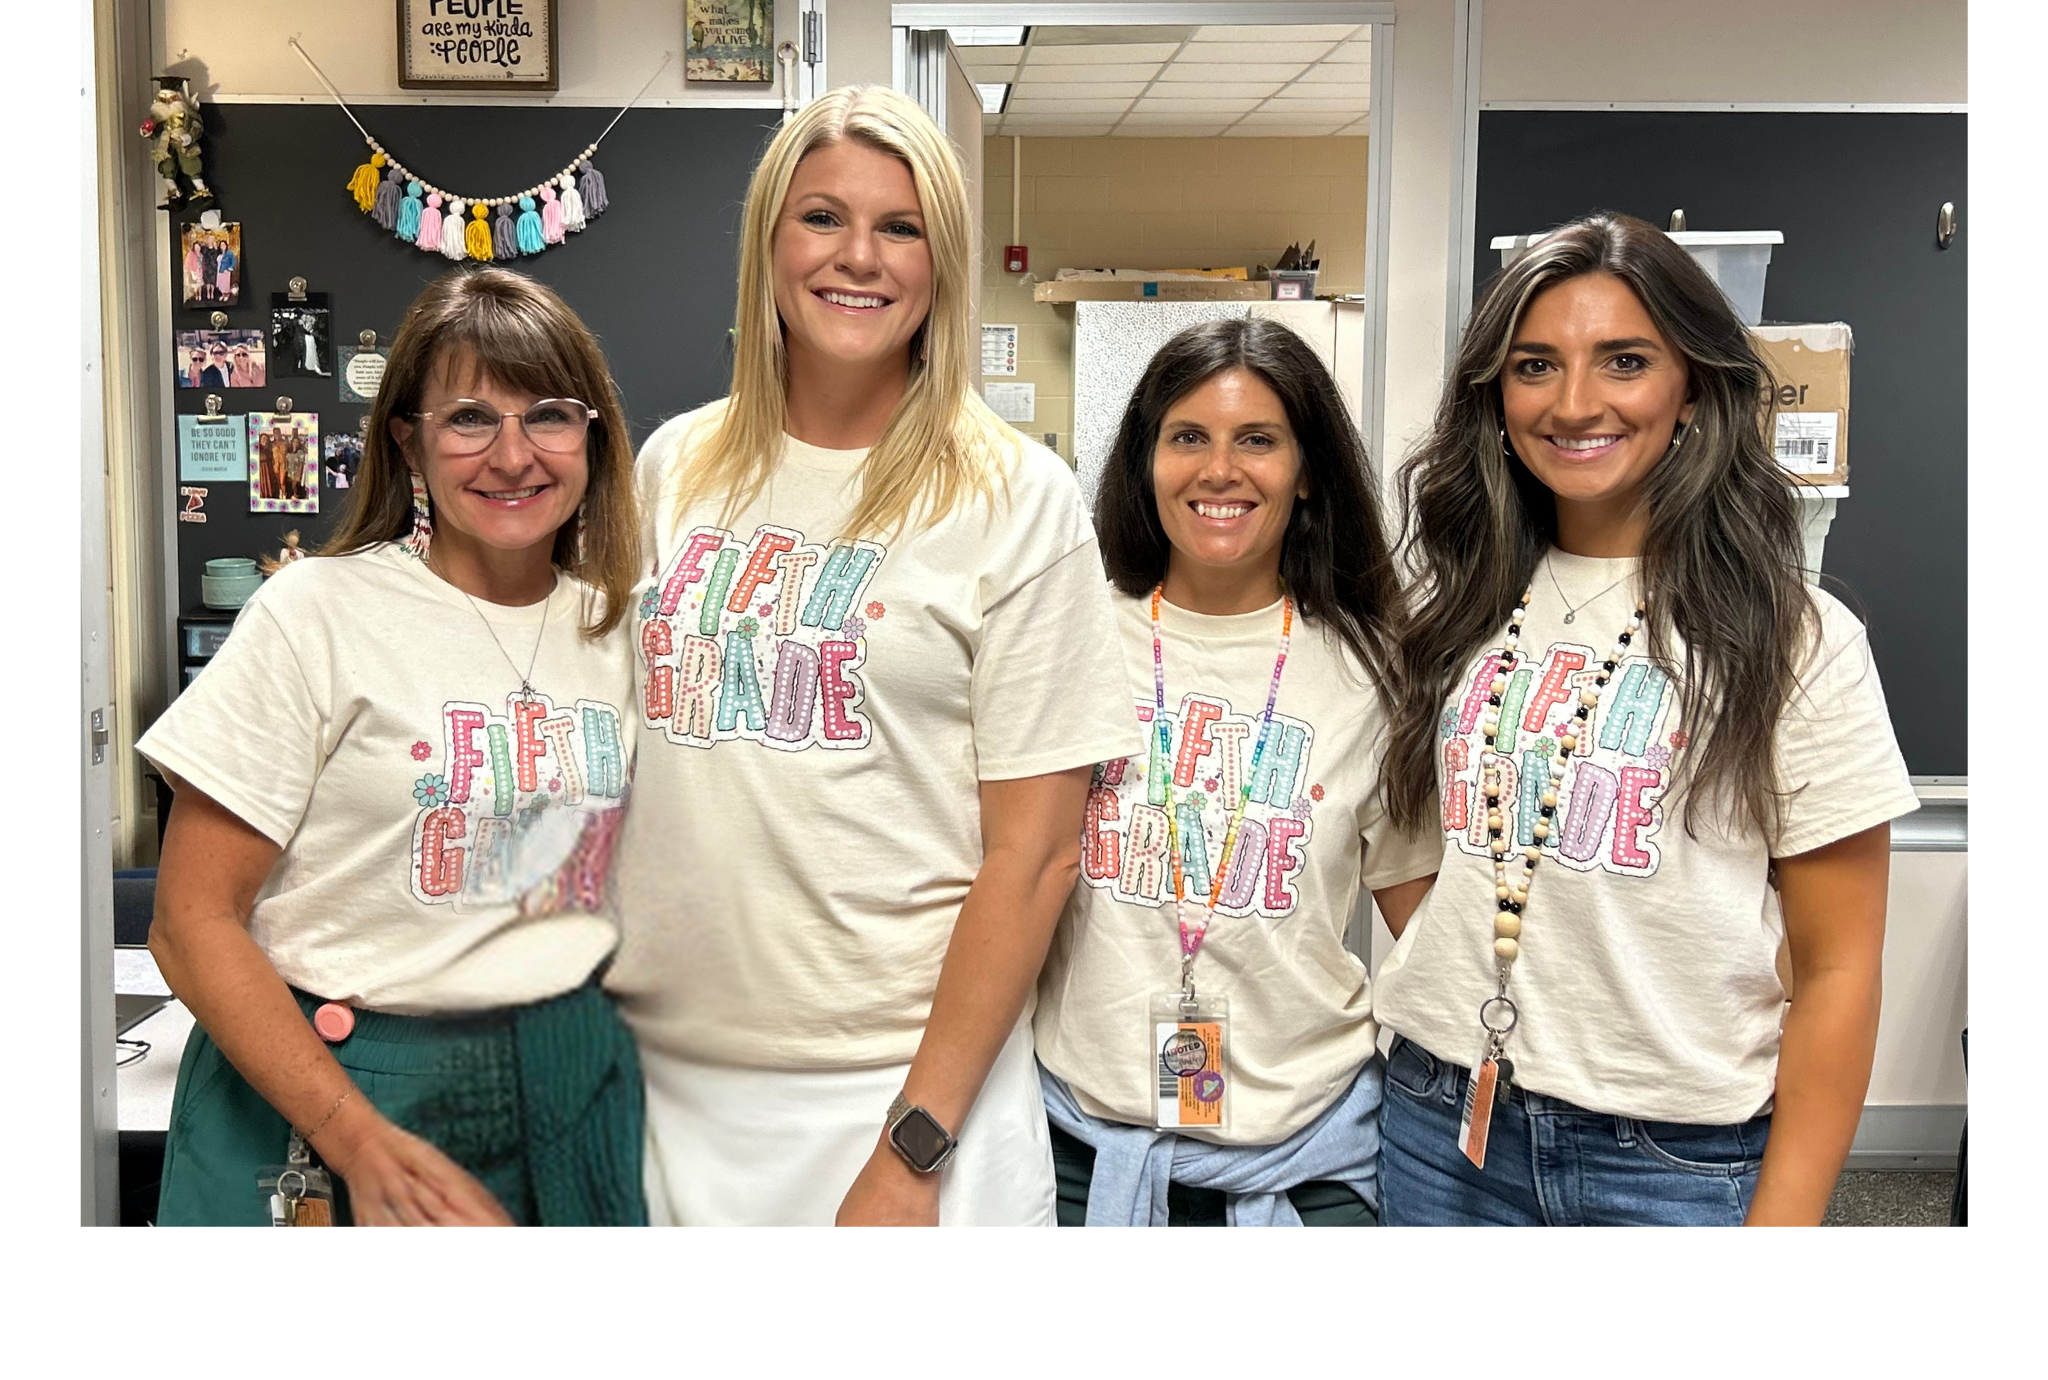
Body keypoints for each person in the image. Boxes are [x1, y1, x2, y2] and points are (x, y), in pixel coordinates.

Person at [610, 85, 1142, 1226]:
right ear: (768, 241)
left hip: (907, 1105)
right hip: (672, 1084)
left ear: (940, 263)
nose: (858, 257)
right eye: (820, 218)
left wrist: (913, 1149)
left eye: (899, 228)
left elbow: (1037, 858)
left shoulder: (1013, 498)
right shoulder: (673, 469)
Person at [1370, 212, 1919, 1227]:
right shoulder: (1453, 605)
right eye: (1534, 366)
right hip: (1440, 1119)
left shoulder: (1793, 636)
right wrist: (1505, 971)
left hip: (1671, 1156)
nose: (1574, 403)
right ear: (1494, 397)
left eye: (1622, 361)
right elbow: (1408, 847)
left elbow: (1838, 968)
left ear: (1692, 390)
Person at [138, 266, 647, 1225]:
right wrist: (356, 1139)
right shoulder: (317, 613)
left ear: (591, 435)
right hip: (329, 1089)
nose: (512, 455)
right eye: (468, 420)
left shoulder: (623, 631)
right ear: (408, 441)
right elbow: (191, 922)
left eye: (547, 414)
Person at [1035, 318, 1437, 1226]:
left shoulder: (1375, 669)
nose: (1221, 471)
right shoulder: (1066, 635)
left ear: (1306, 474)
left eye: (1258, 439)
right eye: (1189, 438)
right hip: (1081, 1152)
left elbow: (1424, 926)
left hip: (1306, 1161)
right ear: (1146, 461)